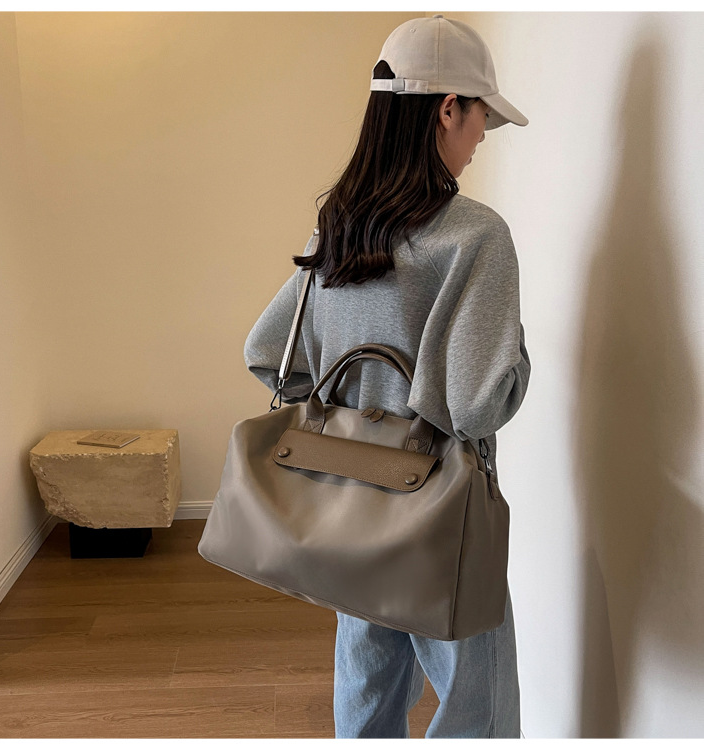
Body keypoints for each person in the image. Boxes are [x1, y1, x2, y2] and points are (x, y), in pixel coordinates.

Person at [242, 15, 531, 739]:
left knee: (367, 690)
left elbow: (267, 350)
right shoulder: (476, 235)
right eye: (482, 115)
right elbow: (476, 404)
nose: (483, 134)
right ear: (447, 109)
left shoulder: (340, 226)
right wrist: (515, 359)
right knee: (477, 709)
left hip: (349, 501)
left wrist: (355, 409)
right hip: (440, 512)